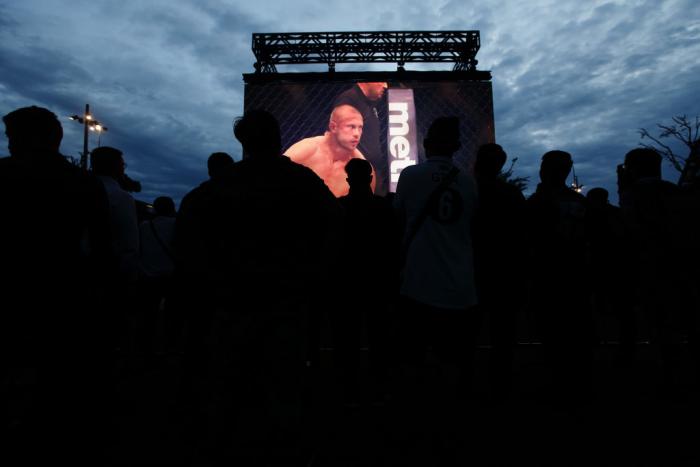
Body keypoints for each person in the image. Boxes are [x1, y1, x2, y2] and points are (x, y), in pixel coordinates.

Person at [0, 106, 112, 465]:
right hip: (66, 295)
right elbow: (102, 247)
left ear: (20, 137)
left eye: (11, 135)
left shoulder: (4, 175)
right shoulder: (82, 182)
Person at [392, 116, 480, 407]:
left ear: (427, 144)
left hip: (418, 283)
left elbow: (399, 218)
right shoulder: (469, 183)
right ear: (456, 147)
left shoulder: (410, 176)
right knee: (455, 360)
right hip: (460, 285)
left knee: (413, 357)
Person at [526, 150, 592, 405]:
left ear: (546, 170)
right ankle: (579, 382)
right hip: (577, 275)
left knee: (552, 331)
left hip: (549, 275)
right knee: (577, 331)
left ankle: (558, 384)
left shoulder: (538, 202)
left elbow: (530, 241)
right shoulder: (580, 203)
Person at [334, 158, 399, 405]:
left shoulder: (339, 208)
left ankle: (348, 389)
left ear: (348, 179)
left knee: (346, 339)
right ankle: (380, 386)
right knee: (379, 336)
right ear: (370, 178)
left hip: (347, 283)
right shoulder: (384, 208)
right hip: (378, 282)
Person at [472, 143, 527, 401]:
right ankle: (502, 383)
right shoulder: (512, 194)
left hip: (472, 269)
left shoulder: (468, 190)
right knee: (503, 332)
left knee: (469, 329)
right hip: (505, 270)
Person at [286, 104, 374, 197]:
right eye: (351, 126)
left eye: (360, 128)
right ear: (333, 127)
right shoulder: (307, 149)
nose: (357, 134)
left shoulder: (362, 169)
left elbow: (366, 206)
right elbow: (274, 176)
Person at [334, 82, 389, 196]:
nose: (385, 85)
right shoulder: (350, 99)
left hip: (370, 171)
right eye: (381, 80)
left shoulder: (369, 103)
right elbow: (341, 137)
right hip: (357, 174)